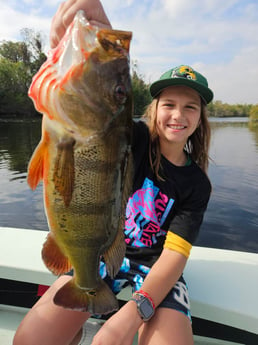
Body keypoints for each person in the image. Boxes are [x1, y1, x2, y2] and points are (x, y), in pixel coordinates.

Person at [13, 1, 214, 344]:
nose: (178, 115)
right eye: (169, 104)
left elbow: (173, 259)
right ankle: (76, 324)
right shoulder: (131, 139)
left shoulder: (197, 184)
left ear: (199, 119)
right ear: (154, 109)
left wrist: (127, 318)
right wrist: (98, 39)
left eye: (190, 107)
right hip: (99, 252)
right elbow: (95, 108)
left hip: (155, 269)